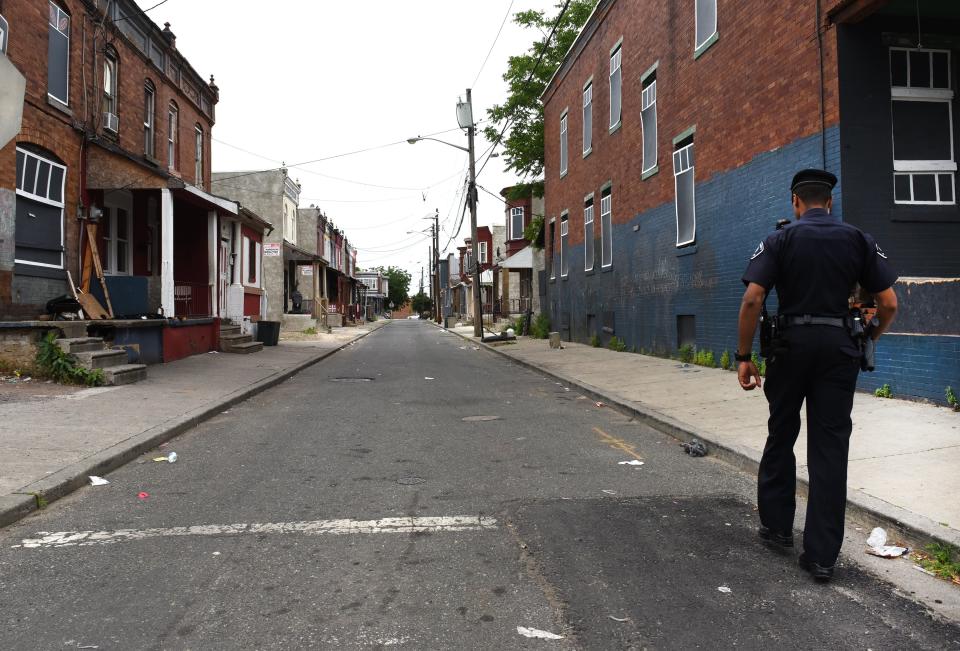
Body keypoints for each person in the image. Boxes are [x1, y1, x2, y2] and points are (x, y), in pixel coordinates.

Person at [736, 169, 898, 582]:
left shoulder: (780, 239)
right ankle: (822, 557)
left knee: (782, 432)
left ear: (796, 202)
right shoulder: (859, 240)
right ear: (829, 202)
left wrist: (743, 356)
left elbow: (753, 297)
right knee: (829, 449)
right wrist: (868, 338)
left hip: (790, 349)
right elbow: (889, 303)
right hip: (839, 351)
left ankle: (776, 529)